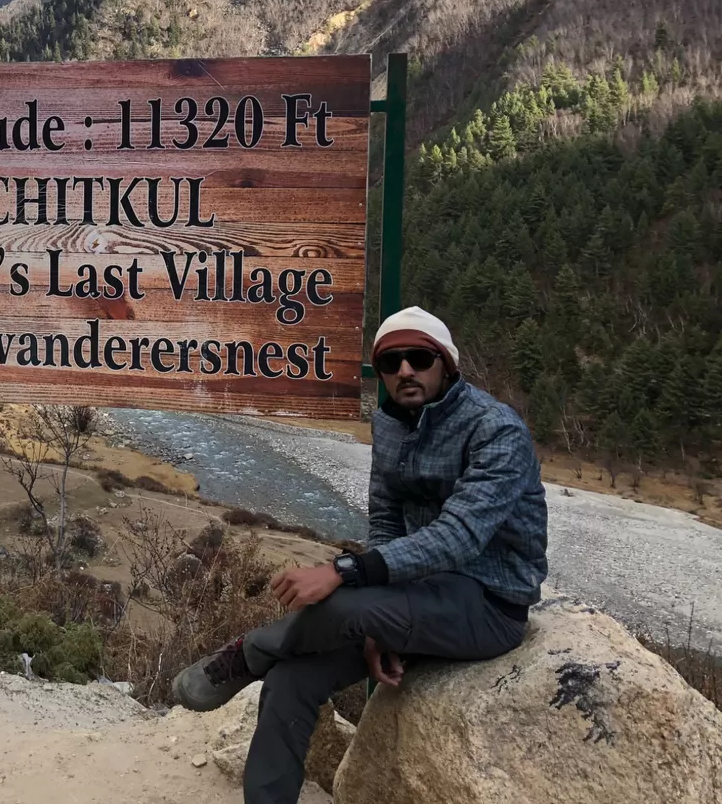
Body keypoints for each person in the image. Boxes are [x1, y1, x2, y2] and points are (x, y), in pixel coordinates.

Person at [172, 306, 548, 804]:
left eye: (419, 357)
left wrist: (344, 571)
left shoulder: (496, 430)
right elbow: (388, 523)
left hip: (487, 604)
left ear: (447, 364)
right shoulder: (391, 426)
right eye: (391, 363)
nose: (405, 371)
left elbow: (460, 535)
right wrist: (381, 627)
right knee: (289, 681)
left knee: (340, 602)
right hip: (413, 598)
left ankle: (252, 650)